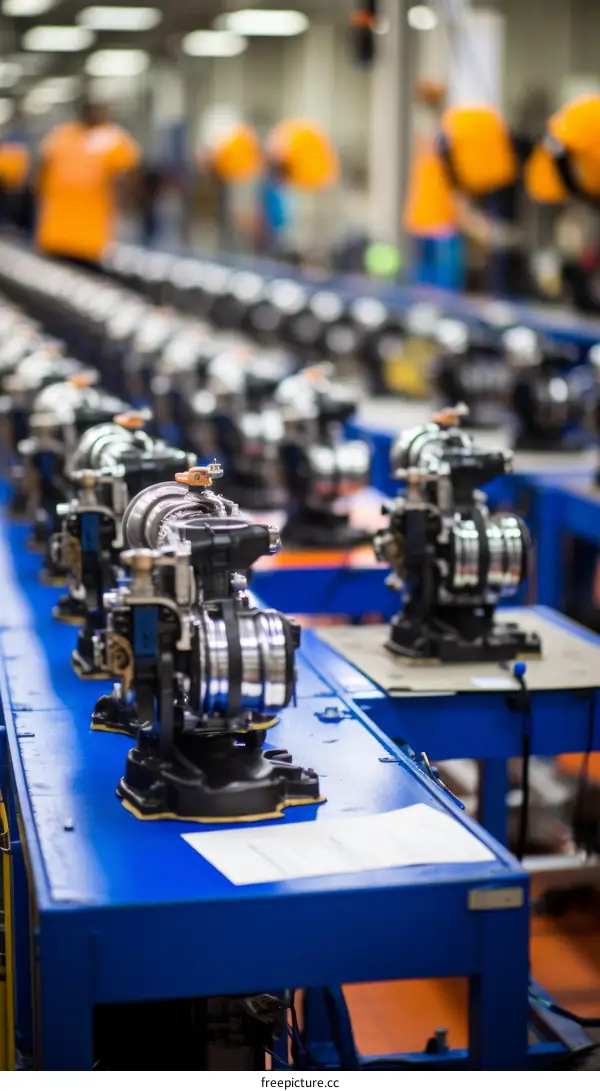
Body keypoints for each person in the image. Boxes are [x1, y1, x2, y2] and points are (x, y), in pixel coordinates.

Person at [35, 100, 140, 270]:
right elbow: (132, 174)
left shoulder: (59, 136)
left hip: (63, 235)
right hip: (84, 238)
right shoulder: (111, 138)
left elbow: (38, 173)